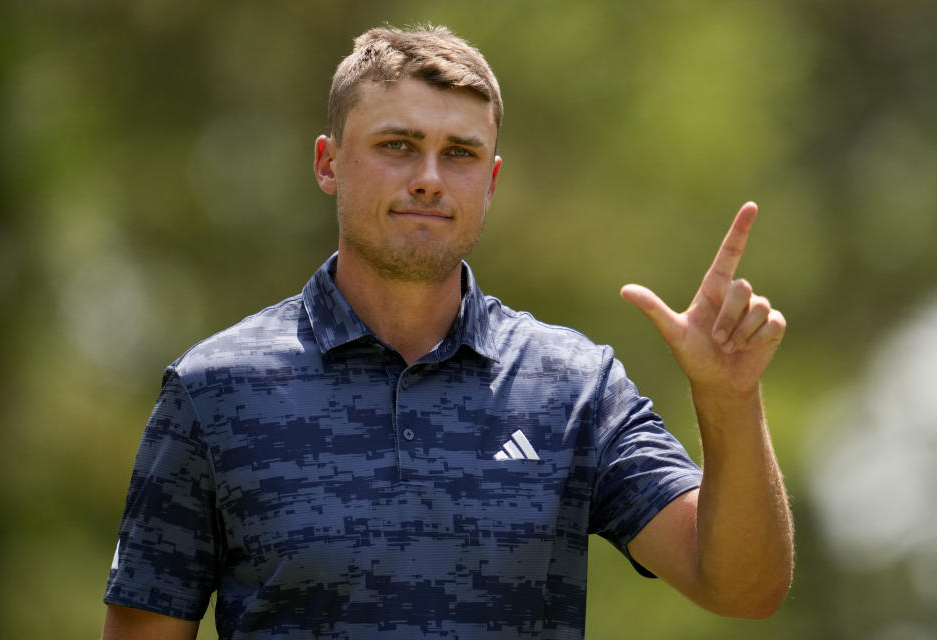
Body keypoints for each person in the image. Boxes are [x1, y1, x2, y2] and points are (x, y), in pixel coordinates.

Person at [102, 24, 793, 640]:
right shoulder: (215, 390)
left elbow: (743, 588)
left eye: (459, 154)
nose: (429, 179)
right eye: (398, 146)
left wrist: (729, 401)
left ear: (489, 182)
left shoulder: (574, 387)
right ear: (327, 162)